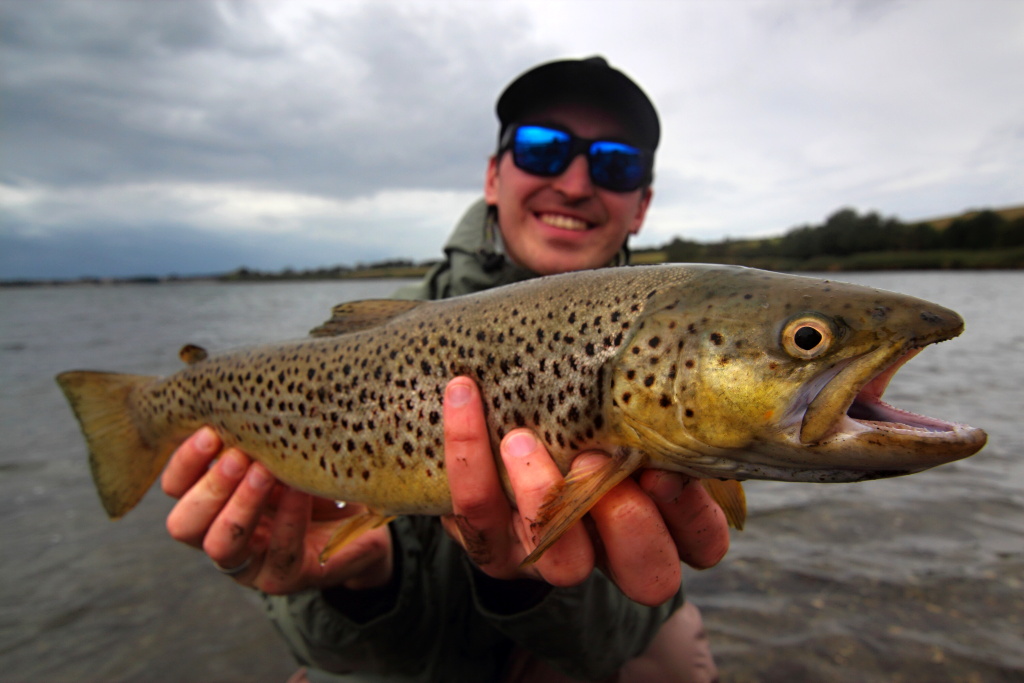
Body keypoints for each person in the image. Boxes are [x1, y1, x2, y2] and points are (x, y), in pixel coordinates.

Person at [161, 56, 730, 682]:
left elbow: (612, 639)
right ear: (493, 176)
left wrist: (528, 587)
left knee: (669, 657)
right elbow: (334, 652)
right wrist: (355, 584)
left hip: (566, 654)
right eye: (543, 149)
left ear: (642, 205)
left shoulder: (687, 350)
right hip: (405, 650)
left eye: (615, 163)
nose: (573, 183)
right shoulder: (379, 344)